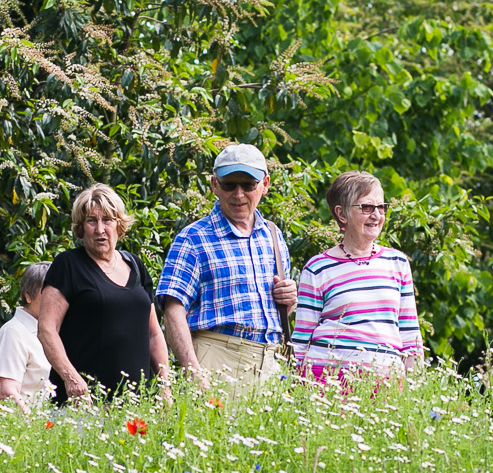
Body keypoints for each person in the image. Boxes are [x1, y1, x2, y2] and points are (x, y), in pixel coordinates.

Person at [157, 143, 297, 391]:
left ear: (264, 185)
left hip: (270, 363)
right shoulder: (193, 238)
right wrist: (193, 371)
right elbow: (173, 310)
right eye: (229, 185)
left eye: (248, 185)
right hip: (215, 359)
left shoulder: (273, 236)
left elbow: (279, 312)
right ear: (214, 185)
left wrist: (288, 299)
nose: (239, 194)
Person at [37, 185, 168, 404]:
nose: (100, 229)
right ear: (81, 227)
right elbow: (47, 329)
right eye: (91, 221)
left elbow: (154, 334)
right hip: (84, 403)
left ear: (119, 224)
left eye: (107, 220)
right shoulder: (68, 265)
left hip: (138, 405)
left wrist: (164, 386)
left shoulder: (135, 264)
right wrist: (71, 379)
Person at [292, 171, 424, 380]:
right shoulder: (317, 268)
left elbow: (410, 335)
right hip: (327, 379)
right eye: (366, 207)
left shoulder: (397, 263)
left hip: (386, 383)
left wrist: (415, 385)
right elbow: (301, 339)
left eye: (380, 207)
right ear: (342, 214)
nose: (376, 215)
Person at [0, 261, 52, 409]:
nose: (55, 300)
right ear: (28, 296)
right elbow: (6, 392)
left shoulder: (50, 332)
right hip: (22, 429)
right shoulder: (14, 332)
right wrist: (34, 429)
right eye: (48, 293)